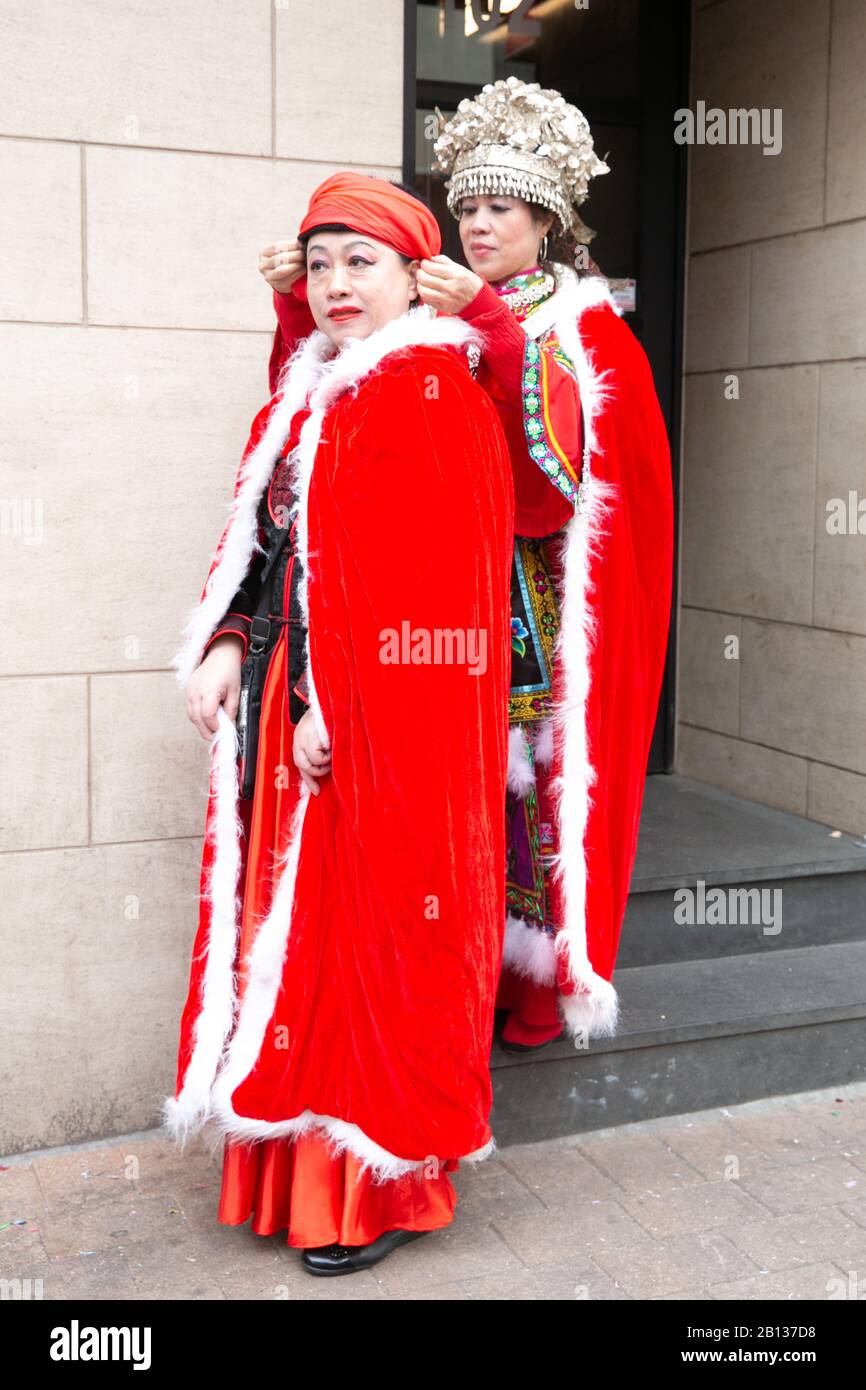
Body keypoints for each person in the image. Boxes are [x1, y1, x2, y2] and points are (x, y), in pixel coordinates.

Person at [258, 78, 674, 1058]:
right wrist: (296, 305)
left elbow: (553, 490)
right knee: (448, 809)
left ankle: (523, 990)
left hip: (528, 606)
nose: (478, 224)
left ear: (547, 220)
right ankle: (449, 987)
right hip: (431, 598)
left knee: (524, 805)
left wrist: (492, 333)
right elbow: (339, 406)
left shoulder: (584, 327)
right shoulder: (432, 298)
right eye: (469, 206)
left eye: (501, 208)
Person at [162, 171, 514, 1276]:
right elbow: (275, 546)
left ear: (416, 280)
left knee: (365, 947)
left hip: (366, 731)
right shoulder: (315, 388)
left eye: (361, 262)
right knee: (290, 947)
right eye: (318, 265)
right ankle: (287, 1175)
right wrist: (228, 643)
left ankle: (373, 1192)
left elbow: (435, 596)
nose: (333, 285)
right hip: (286, 715)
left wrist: (339, 707)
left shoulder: (429, 391)